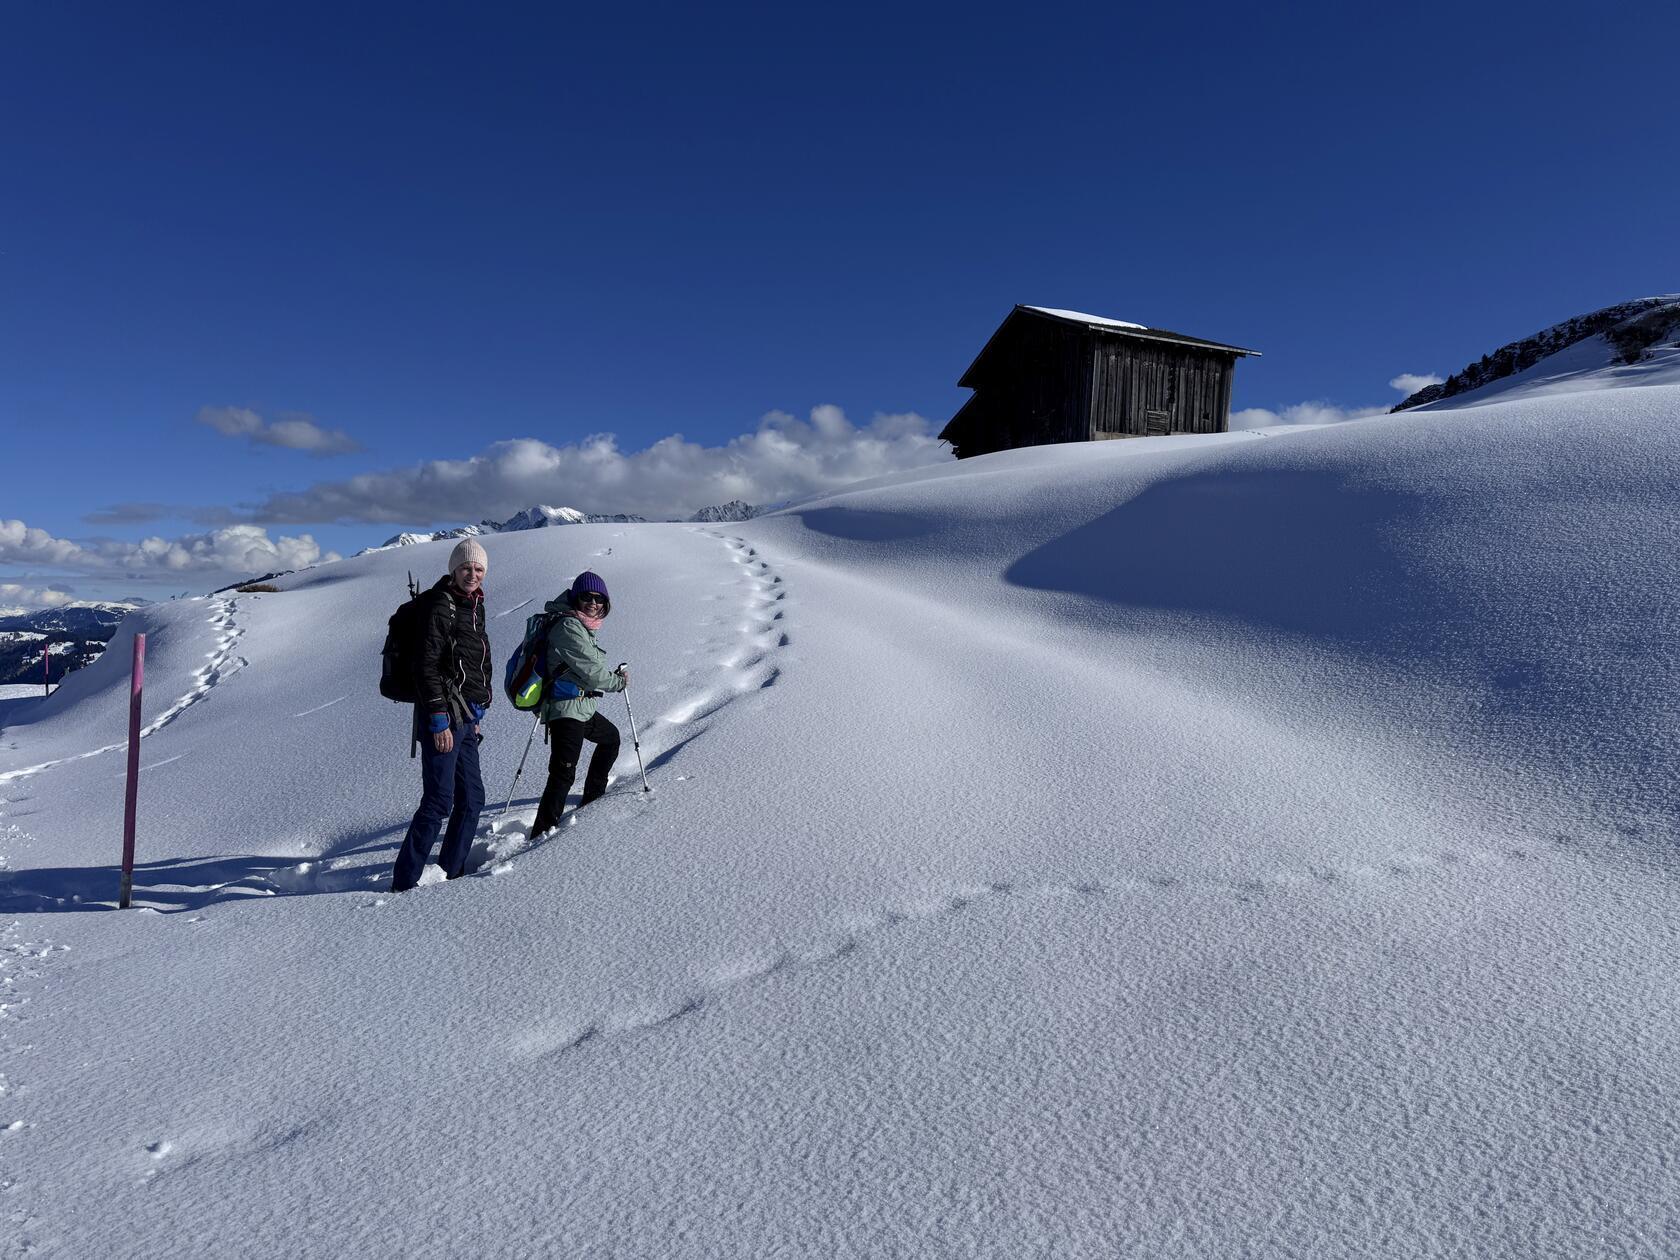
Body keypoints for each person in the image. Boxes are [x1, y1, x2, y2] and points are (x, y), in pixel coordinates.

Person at [390, 538, 493, 892]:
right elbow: (425, 666)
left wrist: (477, 709)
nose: (473, 574)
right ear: (453, 569)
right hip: (444, 719)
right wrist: (437, 718)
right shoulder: (441, 605)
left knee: (473, 798)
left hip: (466, 716)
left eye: (479, 569)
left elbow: (473, 661)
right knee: (438, 801)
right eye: (466, 567)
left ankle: (452, 872)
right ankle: (404, 882)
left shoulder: (474, 604)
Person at [530, 570, 627, 837]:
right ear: (576, 598)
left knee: (611, 739)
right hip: (565, 709)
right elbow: (592, 673)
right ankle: (541, 831)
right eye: (587, 597)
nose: (593, 603)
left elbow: (589, 669)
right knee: (563, 773)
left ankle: (592, 800)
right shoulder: (567, 627)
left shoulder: (580, 625)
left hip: (581, 708)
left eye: (599, 598)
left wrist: (610, 677)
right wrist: (617, 682)